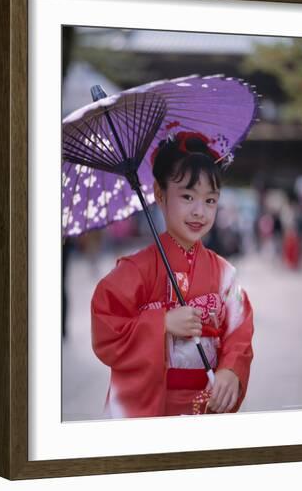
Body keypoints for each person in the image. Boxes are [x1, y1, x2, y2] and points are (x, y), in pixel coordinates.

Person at [91, 131, 254, 418]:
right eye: (188, 196)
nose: (199, 211)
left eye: (210, 200)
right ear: (159, 193)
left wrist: (230, 370)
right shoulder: (135, 270)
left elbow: (239, 330)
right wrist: (161, 323)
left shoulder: (225, 274)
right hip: (149, 406)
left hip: (206, 402)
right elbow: (106, 328)